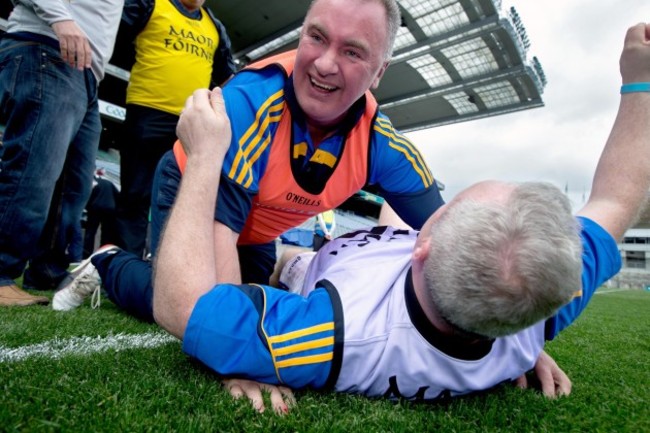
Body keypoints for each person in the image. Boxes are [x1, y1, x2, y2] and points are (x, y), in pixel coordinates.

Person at [152, 21, 650, 402]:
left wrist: (205, 155)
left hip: (337, 267)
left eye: (451, 204)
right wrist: (521, 335)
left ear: (423, 246)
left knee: (277, 266)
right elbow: (616, 198)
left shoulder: (330, 333)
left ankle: (109, 259)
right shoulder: (534, 298)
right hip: (433, 287)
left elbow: (186, 307)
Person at [0, 0, 123, 306]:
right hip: (49, 48)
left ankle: (46, 269)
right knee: (33, 170)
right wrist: (61, 19)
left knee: (74, 187)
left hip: (86, 75)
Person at [111, 0, 236, 257]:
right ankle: (124, 264)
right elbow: (113, 33)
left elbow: (228, 78)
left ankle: (166, 267)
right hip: (147, 113)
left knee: (182, 201)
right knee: (134, 195)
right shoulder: (150, 5)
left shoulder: (215, 27)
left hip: (191, 124)